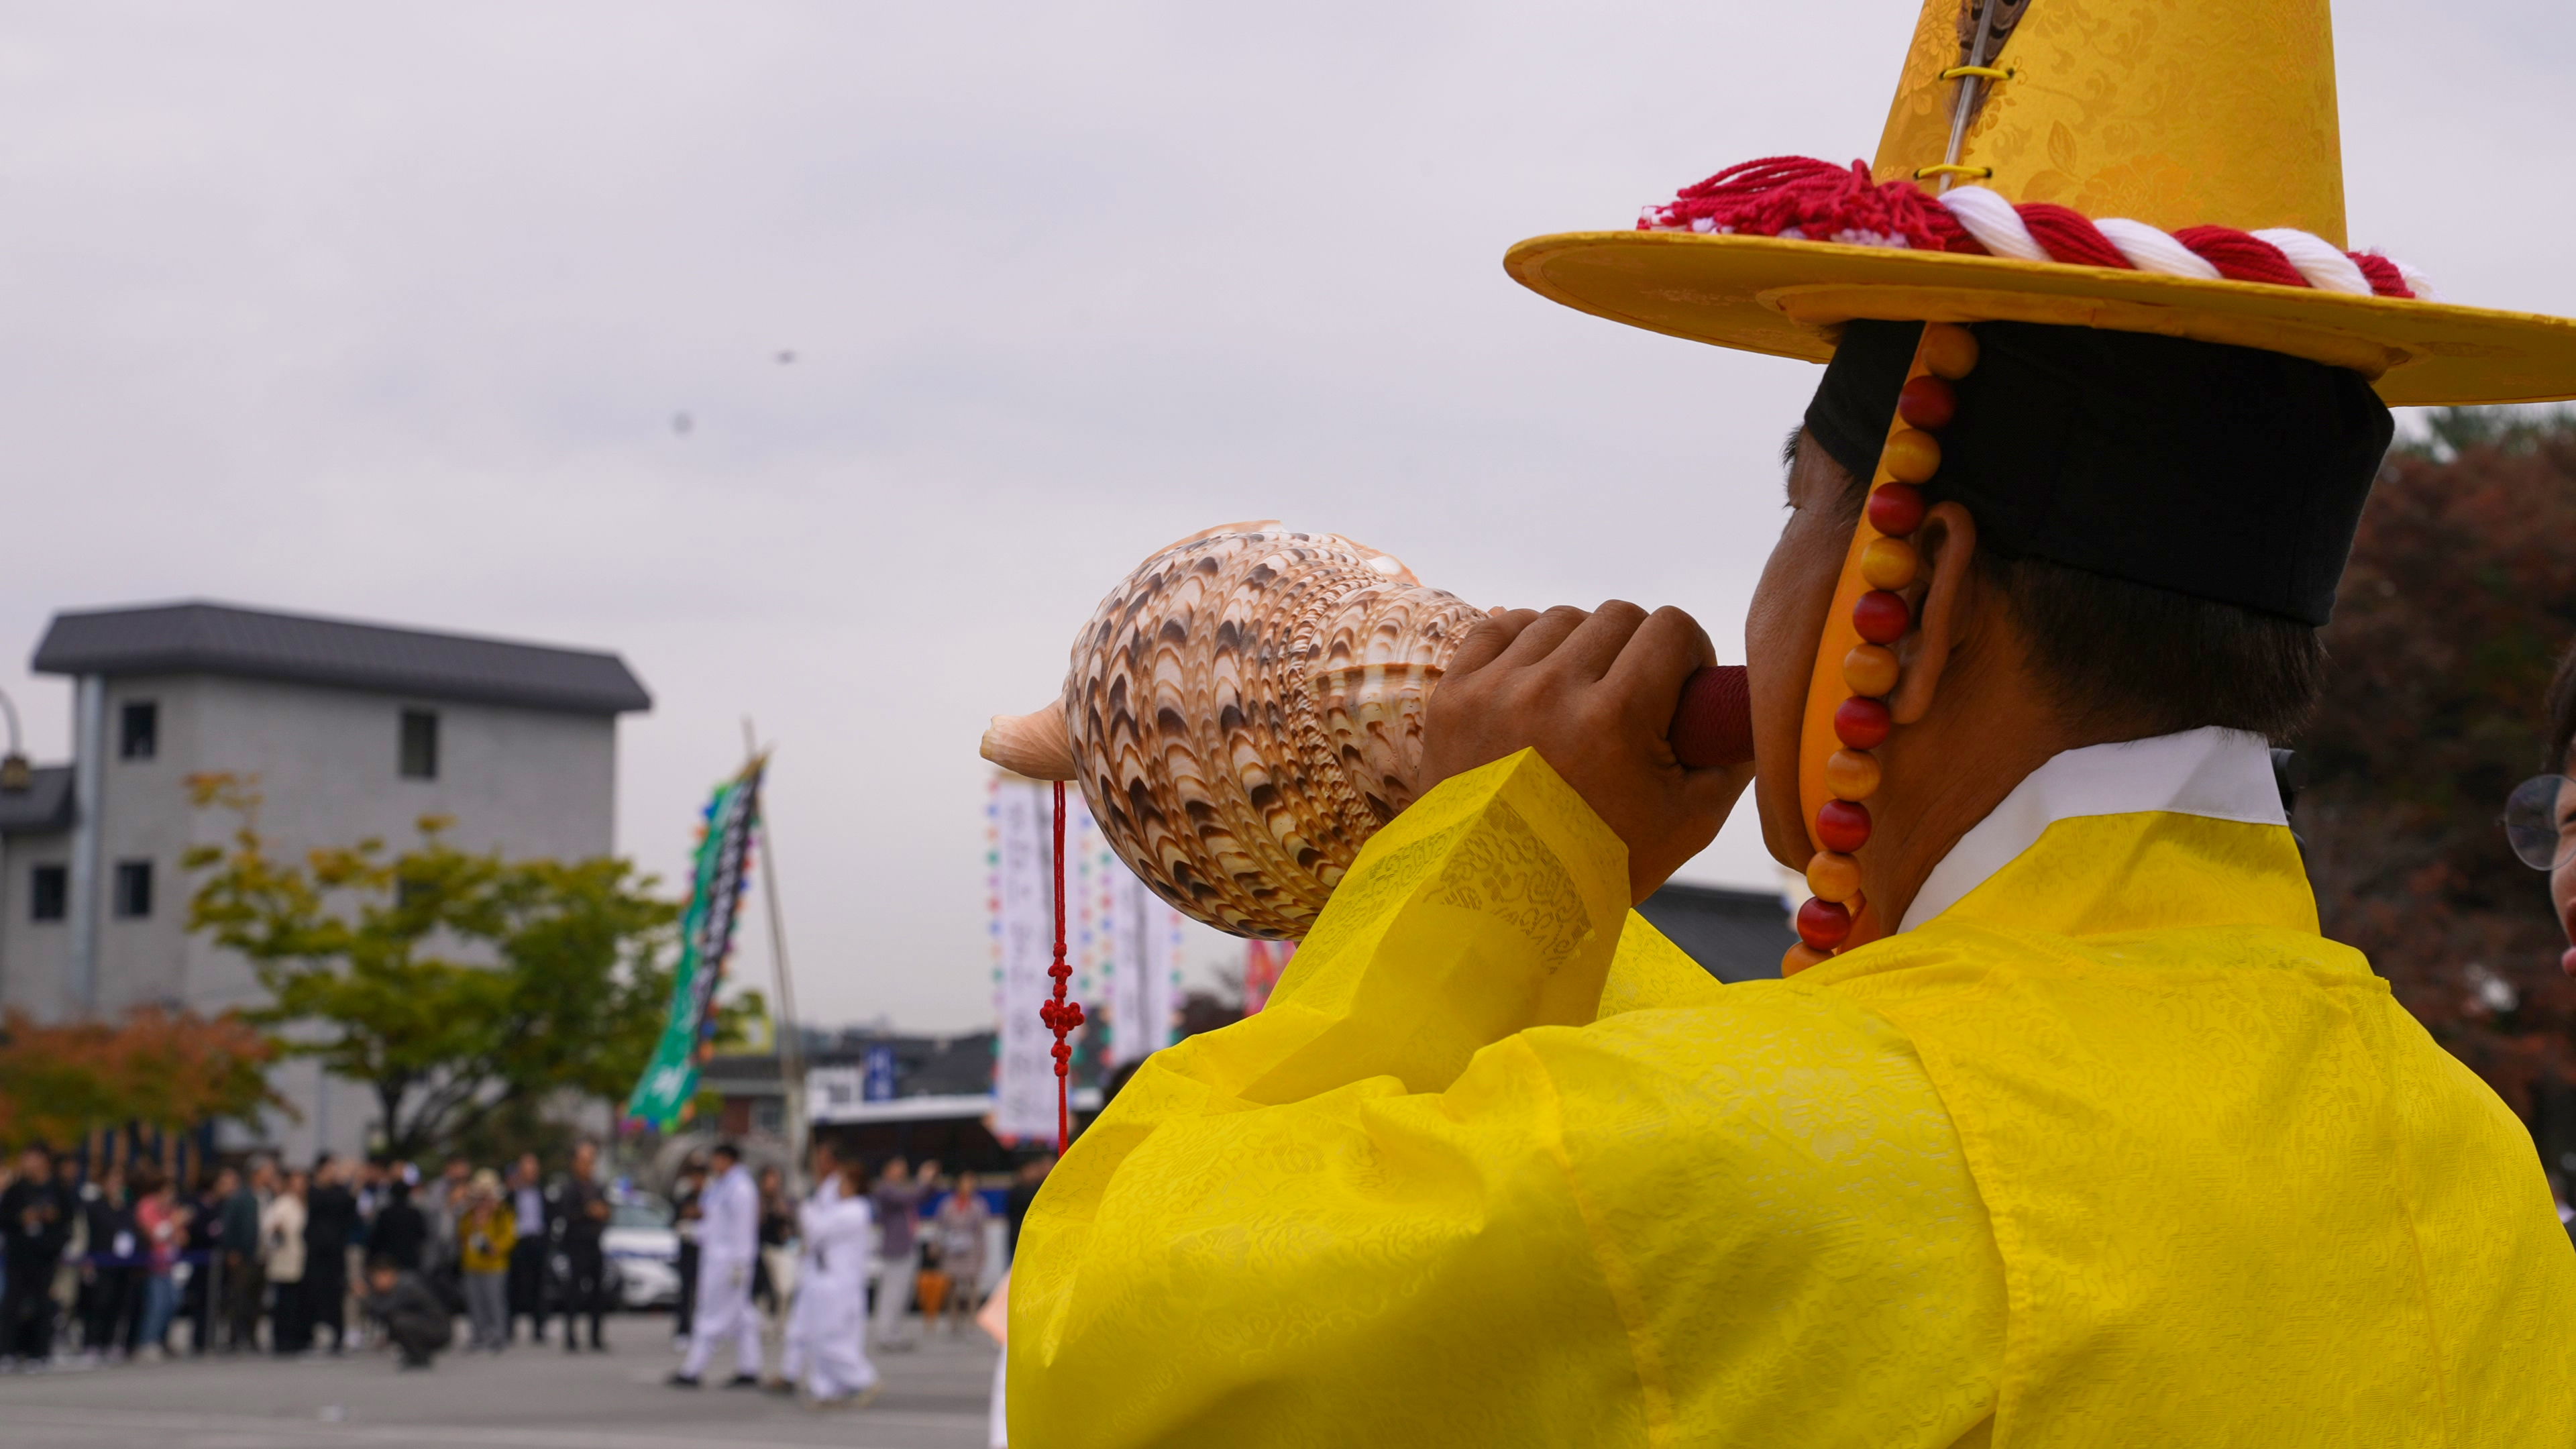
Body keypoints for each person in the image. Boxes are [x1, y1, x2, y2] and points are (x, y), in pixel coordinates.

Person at [1008, 3, 2576, 1440]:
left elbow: (1118, 1353)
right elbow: (1773, 1093)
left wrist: (1498, 865)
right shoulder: (2466, 1162)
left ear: (1925, 581)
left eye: (1793, 514)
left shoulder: (1800, 1157)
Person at [783, 1158, 880, 1409]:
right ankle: (828, 1389)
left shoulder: (855, 1210)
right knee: (820, 1338)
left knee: (830, 1339)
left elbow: (816, 1231)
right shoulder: (839, 1208)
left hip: (842, 1286)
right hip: (827, 1282)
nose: (839, 1186)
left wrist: (803, 1204)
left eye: (845, 1182)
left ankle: (862, 1378)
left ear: (856, 1185)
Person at [667, 1141, 760, 1388]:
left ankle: (693, 1369)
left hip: (730, 1263)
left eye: (717, 1159)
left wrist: (741, 1263)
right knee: (743, 1318)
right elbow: (715, 1226)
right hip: (717, 1258)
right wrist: (694, 1231)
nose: (713, 1165)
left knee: (710, 1315)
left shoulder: (741, 1189)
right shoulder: (720, 1187)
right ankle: (749, 1367)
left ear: (728, 1160)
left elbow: (743, 1229)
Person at [0, 1147, 68, 1366]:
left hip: (45, 1255)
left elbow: (68, 1221)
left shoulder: (58, 1189)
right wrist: (22, 1217)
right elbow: (5, 1218)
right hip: (19, 1254)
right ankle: (8, 1351)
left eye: (32, 1157)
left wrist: (52, 1221)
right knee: (13, 1303)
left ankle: (40, 1352)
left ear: (44, 1160)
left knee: (44, 1303)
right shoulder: (17, 1189)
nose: (27, 1162)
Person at [548, 1138, 611, 1352]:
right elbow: (564, 1215)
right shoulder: (569, 1188)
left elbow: (607, 1211)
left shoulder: (597, 1187)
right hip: (576, 1245)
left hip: (595, 1243)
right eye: (584, 1160)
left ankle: (595, 1337)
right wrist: (587, 1212)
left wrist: (602, 1213)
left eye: (591, 1161)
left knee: (598, 1293)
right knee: (573, 1292)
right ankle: (571, 1336)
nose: (588, 1165)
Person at [866, 1156, 934, 1350]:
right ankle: (885, 1334)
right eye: (898, 1168)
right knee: (891, 1294)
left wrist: (928, 1183)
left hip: (906, 1247)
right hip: (896, 1250)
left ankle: (894, 1333)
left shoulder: (898, 1189)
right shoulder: (885, 1190)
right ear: (887, 1169)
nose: (902, 1172)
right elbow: (912, 1197)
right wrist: (923, 1180)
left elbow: (921, 1196)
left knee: (903, 1294)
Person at [76, 1164, 139, 1362]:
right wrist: (86, 1259)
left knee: (119, 1303)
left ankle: (110, 1342)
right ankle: (91, 1343)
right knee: (98, 1303)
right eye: (112, 1181)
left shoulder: (126, 1208)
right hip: (100, 1261)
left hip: (122, 1263)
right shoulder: (94, 1207)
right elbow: (87, 1234)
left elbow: (131, 1231)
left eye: (120, 1181)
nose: (116, 1185)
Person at [129, 1165, 188, 1358]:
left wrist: (174, 1225)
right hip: (152, 1264)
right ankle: (147, 1341)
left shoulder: (170, 1210)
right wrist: (174, 1223)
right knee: (157, 1304)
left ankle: (162, 1339)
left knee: (173, 1302)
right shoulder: (147, 1206)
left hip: (170, 1265)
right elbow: (156, 1234)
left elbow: (181, 1238)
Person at [303, 1155, 358, 1354]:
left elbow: (351, 1213)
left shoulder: (339, 1192)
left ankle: (337, 1335)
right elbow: (323, 1204)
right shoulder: (313, 1191)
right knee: (314, 1293)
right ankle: (313, 1333)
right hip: (316, 1252)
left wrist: (350, 1185)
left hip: (336, 1252)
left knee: (336, 1294)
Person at [360, 1255, 451, 1370]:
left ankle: (419, 1356)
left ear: (387, 1274)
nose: (374, 1283)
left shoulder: (406, 1286)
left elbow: (384, 1310)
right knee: (398, 1320)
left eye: (376, 1278)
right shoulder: (400, 1283)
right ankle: (413, 1355)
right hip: (429, 1326)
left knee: (399, 1321)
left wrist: (367, 1296)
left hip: (438, 1330)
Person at [457, 1170, 515, 1352]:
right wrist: (476, 1219)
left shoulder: (503, 1212)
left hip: (495, 1264)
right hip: (472, 1263)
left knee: (495, 1301)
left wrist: (497, 1247)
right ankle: (479, 1334)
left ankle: (499, 1335)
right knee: (475, 1302)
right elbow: (462, 1234)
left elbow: (510, 1235)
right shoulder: (469, 1213)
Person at [929, 1173, 989, 1334]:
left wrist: (983, 1254)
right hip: (952, 1249)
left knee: (972, 1285)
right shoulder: (947, 1205)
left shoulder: (978, 1205)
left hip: (971, 1249)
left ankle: (972, 1319)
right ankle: (953, 1319)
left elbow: (981, 1232)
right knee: (952, 1286)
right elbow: (940, 1227)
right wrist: (936, 1246)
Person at [217, 1159, 266, 1352]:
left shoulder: (268, 1195)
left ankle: (252, 1336)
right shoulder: (240, 1197)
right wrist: (231, 1250)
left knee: (257, 1298)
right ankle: (235, 1337)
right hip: (243, 1254)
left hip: (262, 1254)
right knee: (238, 1297)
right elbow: (228, 1226)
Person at [260, 1168, 309, 1355]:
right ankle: (282, 1340)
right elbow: (269, 1230)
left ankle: (296, 1338)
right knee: (284, 1304)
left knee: (296, 1304)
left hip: (299, 1260)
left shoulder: (303, 1203)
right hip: (284, 1261)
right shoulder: (283, 1204)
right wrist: (276, 1230)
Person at [504, 1153, 551, 1346]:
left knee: (539, 1286)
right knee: (515, 1285)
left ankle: (539, 1327)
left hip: (537, 1241)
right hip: (518, 1241)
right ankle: (509, 1326)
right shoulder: (512, 1194)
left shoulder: (542, 1192)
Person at [669, 1155, 706, 1351]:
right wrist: (685, 1216)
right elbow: (673, 1221)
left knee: (703, 1296)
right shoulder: (684, 1198)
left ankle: (702, 1332)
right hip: (687, 1252)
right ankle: (683, 1331)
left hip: (705, 1254)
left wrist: (701, 1215)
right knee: (685, 1293)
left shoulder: (710, 1199)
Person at [1000, 1154, 1050, 1265]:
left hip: (1036, 1242)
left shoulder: (1038, 1188)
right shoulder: (1018, 1192)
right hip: (1019, 1241)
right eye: (1030, 1169)